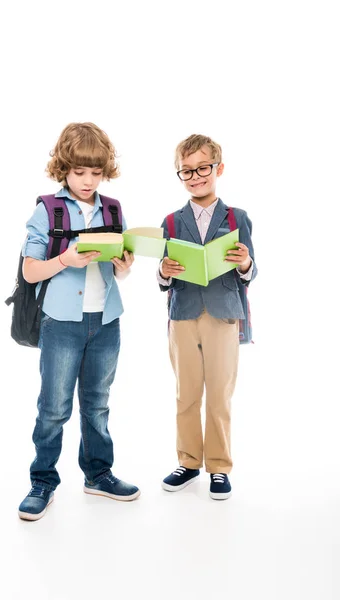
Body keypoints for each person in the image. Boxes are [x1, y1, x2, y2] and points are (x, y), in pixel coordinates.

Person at [18, 122, 140, 521]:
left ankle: (99, 474)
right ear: (64, 169)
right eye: (80, 171)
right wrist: (64, 261)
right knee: (53, 407)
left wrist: (124, 266)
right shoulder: (48, 210)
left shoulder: (113, 209)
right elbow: (31, 272)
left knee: (97, 404)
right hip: (63, 322)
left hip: (106, 319)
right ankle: (43, 481)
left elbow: (116, 270)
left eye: (96, 172)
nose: (88, 180)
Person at [158, 134, 257, 500]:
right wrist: (165, 272)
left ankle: (219, 466)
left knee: (219, 394)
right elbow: (163, 276)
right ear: (179, 174)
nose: (195, 176)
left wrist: (244, 262)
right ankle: (188, 461)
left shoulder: (237, 218)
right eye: (187, 171)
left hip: (222, 314)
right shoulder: (171, 221)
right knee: (186, 394)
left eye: (203, 168)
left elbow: (251, 271)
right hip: (183, 314)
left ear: (218, 168)